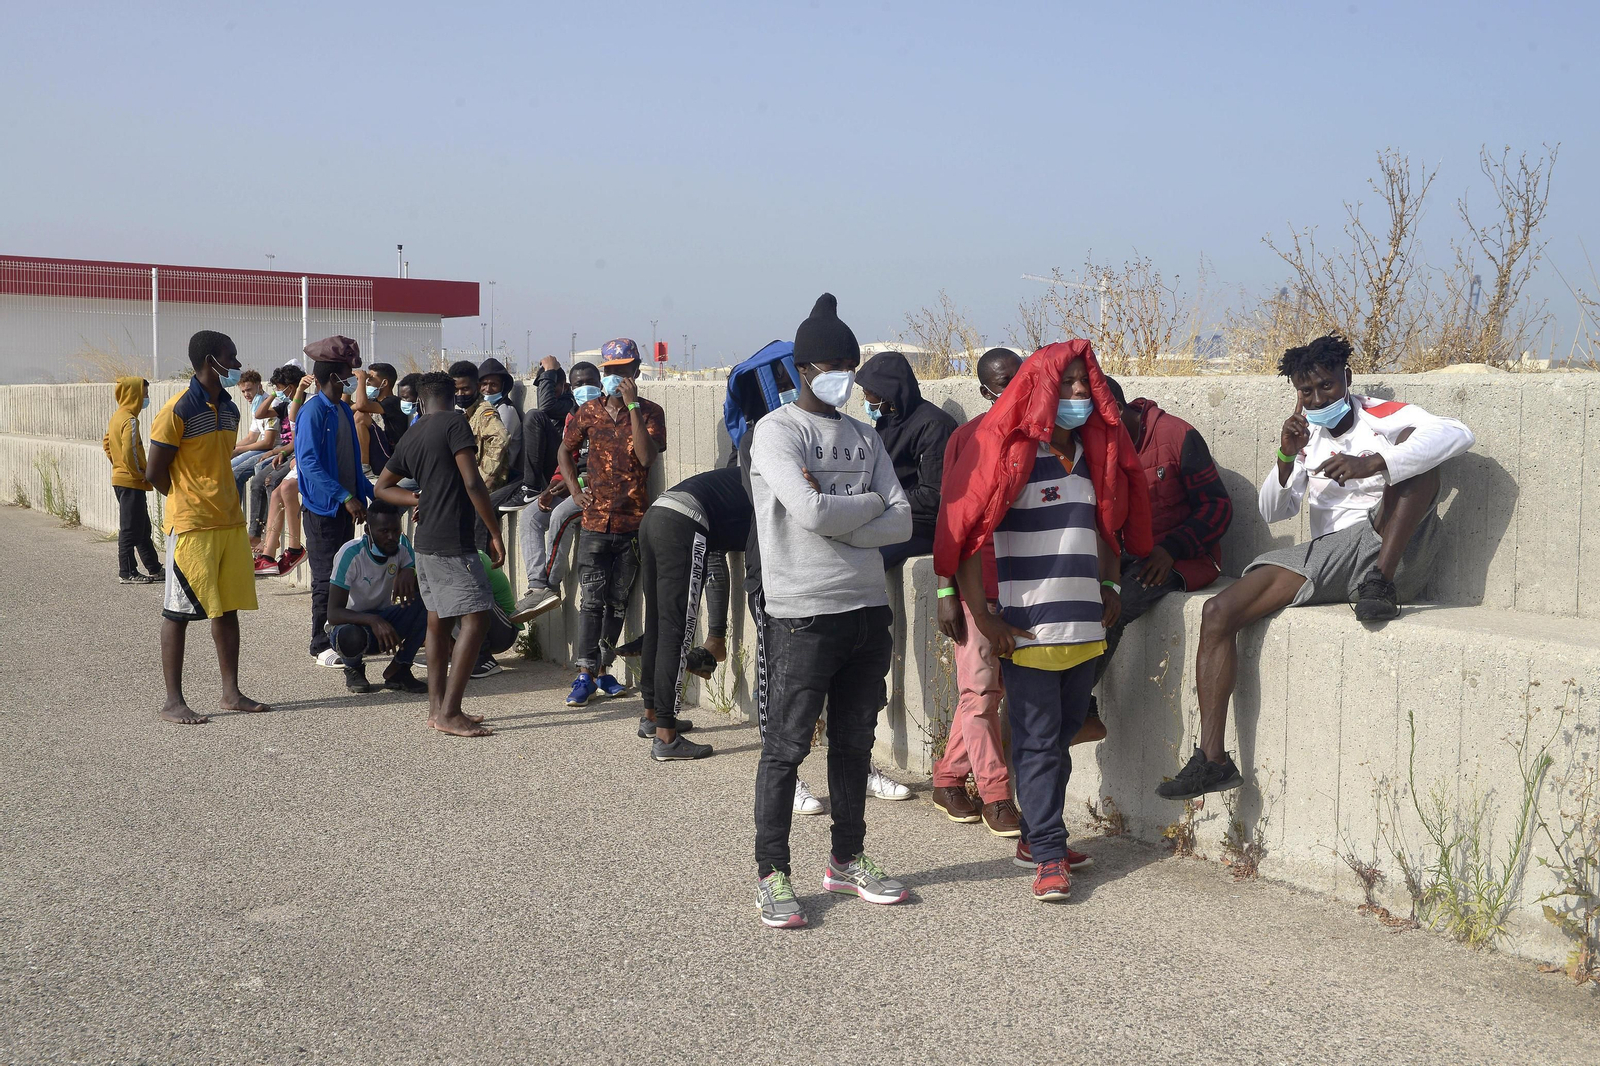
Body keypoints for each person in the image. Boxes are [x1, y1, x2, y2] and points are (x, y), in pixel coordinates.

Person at [1159, 333, 1474, 802]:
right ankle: (1213, 760)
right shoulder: (1310, 439)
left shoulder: (1382, 416)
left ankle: (1380, 584)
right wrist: (1287, 455)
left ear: (1346, 379)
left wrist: (1373, 462)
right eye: (1306, 392)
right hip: (1332, 559)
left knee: (1419, 458)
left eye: (1326, 387)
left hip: (1393, 554)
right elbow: (1272, 511)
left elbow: (1459, 434)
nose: (1317, 399)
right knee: (1218, 612)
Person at [937, 340, 1152, 902]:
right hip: (1027, 631)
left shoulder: (1094, 453)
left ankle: (1036, 836)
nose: (1080, 393)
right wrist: (982, 617)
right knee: (1035, 742)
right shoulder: (1008, 453)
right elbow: (962, 536)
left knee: (1056, 740)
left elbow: (1108, 526)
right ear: (1040, 388)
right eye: (1068, 383)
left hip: (1086, 630)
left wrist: (1109, 586)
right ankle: (1051, 856)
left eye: (1087, 383)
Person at [748, 293, 914, 929]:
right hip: (803, 612)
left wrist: (849, 514)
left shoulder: (867, 436)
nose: (843, 374)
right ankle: (772, 873)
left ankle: (847, 860)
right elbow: (809, 512)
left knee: (853, 743)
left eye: (851, 362)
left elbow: (900, 521)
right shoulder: (777, 432)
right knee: (786, 748)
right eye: (831, 365)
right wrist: (863, 507)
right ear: (802, 370)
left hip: (867, 610)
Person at [1073, 376, 1234, 745]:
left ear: (1115, 407)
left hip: (1180, 557)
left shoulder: (1176, 435)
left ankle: (1077, 709)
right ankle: (1073, 708)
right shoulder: (1097, 446)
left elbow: (1218, 507)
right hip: (1124, 554)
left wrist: (1173, 547)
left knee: (1114, 605)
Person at [145, 330, 271, 725]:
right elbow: (154, 472)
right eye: (230, 357)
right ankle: (172, 701)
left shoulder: (232, 408)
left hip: (230, 522)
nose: (236, 365)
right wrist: (187, 499)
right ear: (210, 361)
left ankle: (230, 693)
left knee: (227, 609)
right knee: (177, 613)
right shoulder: (178, 409)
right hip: (193, 526)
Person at [374, 371, 506, 738]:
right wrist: (494, 532)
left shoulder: (414, 431)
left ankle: (436, 710)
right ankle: (451, 712)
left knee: (438, 622)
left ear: (420, 399)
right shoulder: (455, 423)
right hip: (453, 541)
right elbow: (472, 480)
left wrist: (418, 498)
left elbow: (384, 487)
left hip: (425, 541)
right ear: (453, 396)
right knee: (476, 618)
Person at [930, 349, 1023, 836]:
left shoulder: (1044, 439)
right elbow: (951, 518)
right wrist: (946, 589)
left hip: (1027, 585)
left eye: (1021, 378)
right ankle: (995, 795)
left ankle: (947, 778)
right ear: (986, 391)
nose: (1014, 389)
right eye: (1003, 382)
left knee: (986, 693)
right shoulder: (967, 439)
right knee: (982, 692)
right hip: (976, 586)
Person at [557, 340, 666, 707]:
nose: (615, 377)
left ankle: (604, 671)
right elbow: (565, 451)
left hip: (632, 524)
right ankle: (584, 674)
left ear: (636, 371)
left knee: (617, 603)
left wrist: (632, 406)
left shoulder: (651, 413)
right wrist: (574, 489)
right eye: (610, 371)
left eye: (623, 370)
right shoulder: (588, 412)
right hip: (594, 522)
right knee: (592, 601)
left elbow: (647, 456)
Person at [634, 467, 749, 761]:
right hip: (682, 523)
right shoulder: (766, 483)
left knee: (657, 624)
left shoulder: (746, 473)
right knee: (677, 630)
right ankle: (667, 738)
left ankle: (652, 717)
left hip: (655, 515)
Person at [294, 337, 373, 666]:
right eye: (346, 375)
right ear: (331, 377)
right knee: (325, 579)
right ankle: (319, 642)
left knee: (343, 578)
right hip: (322, 510)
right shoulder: (313, 412)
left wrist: (368, 494)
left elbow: (352, 462)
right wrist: (344, 496)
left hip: (346, 507)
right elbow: (308, 463)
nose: (352, 379)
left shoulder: (342, 408)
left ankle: (341, 635)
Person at [855, 350, 958, 570]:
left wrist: (879, 501)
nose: (866, 401)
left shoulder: (933, 426)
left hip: (921, 525)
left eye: (869, 394)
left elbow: (933, 495)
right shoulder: (888, 420)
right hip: (889, 514)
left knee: (865, 562)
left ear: (887, 393)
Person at [511, 360, 595, 622]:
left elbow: (608, 468)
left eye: (590, 383)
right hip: (570, 484)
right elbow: (566, 458)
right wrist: (551, 487)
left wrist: (575, 485)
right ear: (571, 387)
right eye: (579, 384)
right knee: (531, 516)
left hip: (596, 488)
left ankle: (549, 586)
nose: (585, 388)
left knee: (560, 516)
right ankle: (537, 585)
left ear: (600, 384)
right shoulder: (572, 415)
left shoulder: (607, 415)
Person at [325, 499, 429, 695]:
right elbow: (333, 613)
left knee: (429, 604)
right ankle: (353, 667)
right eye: (383, 531)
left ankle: (400, 669)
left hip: (384, 620)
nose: (391, 537)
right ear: (368, 531)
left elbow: (416, 577)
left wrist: (410, 569)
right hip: (350, 624)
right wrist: (373, 620)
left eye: (396, 531)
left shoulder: (402, 546)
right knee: (349, 635)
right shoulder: (350, 553)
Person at [103, 375, 165, 584]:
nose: (145, 399)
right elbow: (131, 451)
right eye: (144, 394)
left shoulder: (117, 416)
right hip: (131, 482)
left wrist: (117, 463)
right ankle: (127, 571)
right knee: (130, 528)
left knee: (142, 527)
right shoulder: (130, 420)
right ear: (134, 395)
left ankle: (154, 567)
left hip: (122, 479)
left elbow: (106, 442)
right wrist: (137, 473)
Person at [230, 369, 277, 501]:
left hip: (273, 449)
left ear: (259, 386)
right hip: (262, 447)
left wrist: (238, 450)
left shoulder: (271, 404)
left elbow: (268, 442)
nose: (246, 394)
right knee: (226, 466)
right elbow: (251, 437)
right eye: (243, 391)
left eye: (249, 390)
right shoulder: (256, 404)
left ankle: (235, 515)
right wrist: (230, 448)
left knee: (235, 473)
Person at [365, 362, 409, 450]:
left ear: (384, 383)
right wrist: (349, 382)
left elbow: (361, 406)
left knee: (361, 417)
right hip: (380, 447)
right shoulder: (375, 401)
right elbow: (348, 408)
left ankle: (364, 463)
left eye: (371, 378)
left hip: (392, 451)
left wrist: (361, 380)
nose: (367, 382)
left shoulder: (393, 401)